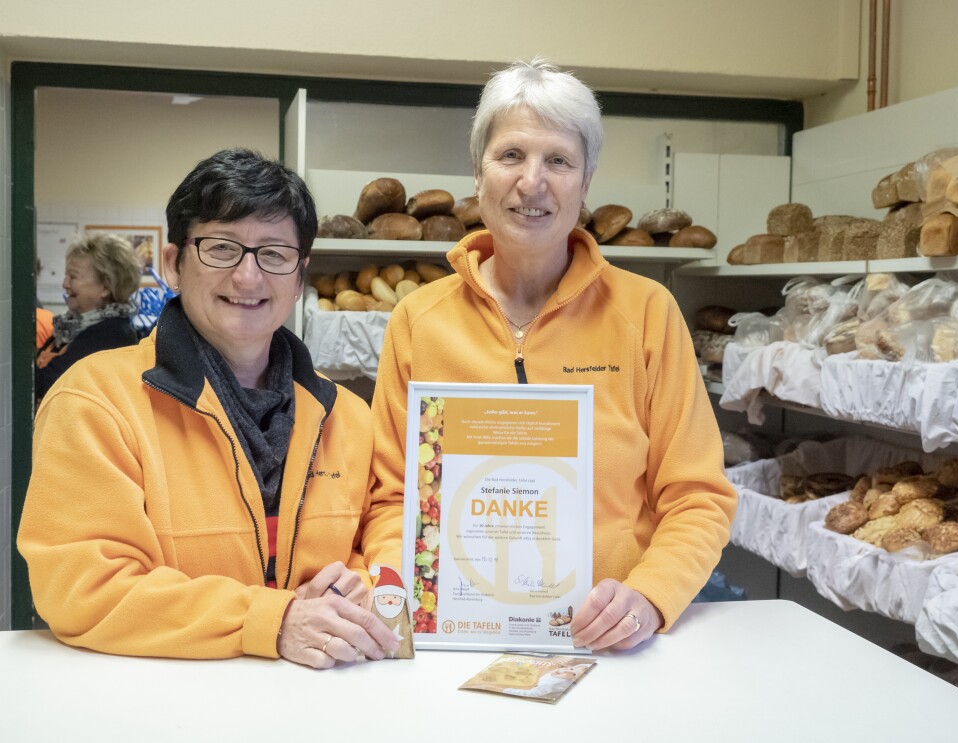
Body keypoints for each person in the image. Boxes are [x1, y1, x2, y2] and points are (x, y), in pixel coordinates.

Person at [370, 59, 737, 652]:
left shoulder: (646, 312)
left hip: (609, 643)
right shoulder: (418, 320)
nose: (532, 182)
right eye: (511, 155)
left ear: (586, 179)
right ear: (478, 171)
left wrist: (648, 597)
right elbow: (390, 498)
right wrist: (400, 598)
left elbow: (698, 496)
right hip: (454, 639)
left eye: (559, 161)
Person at [19, 148, 403, 668]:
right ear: (175, 263)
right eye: (222, 248)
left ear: (299, 276)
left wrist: (370, 590)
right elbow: (84, 586)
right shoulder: (94, 402)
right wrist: (273, 619)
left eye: (274, 254)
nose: (248, 278)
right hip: (159, 705)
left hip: (318, 701)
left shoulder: (348, 416)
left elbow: (385, 525)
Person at [35, 233, 141, 401]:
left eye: (73, 276)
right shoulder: (72, 326)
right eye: (66, 275)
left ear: (106, 286)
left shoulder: (112, 334)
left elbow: (47, 382)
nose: (65, 284)